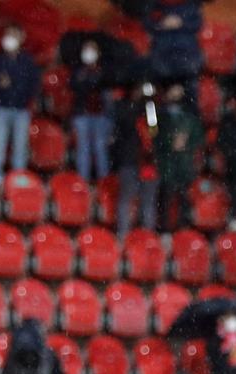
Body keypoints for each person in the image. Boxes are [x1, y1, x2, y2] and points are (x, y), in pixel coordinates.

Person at [0, 26, 40, 177]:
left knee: (20, 145)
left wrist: (23, 94)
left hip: (21, 110)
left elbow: (34, 83)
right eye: (7, 35)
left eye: (13, 35)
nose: (9, 39)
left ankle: (18, 176)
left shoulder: (28, 61)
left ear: (21, 38)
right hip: (0, 108)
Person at [112, 81, 163, 238]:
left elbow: (155, 132)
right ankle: (124, 238)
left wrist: (148, 105)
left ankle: (146, 240)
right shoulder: (124, 109)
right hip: (130, 162)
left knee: (147, 202)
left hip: (148, 163)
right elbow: (122, 130)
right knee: (126, 201)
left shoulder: (152, 111)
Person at [154, 83, 202, 233]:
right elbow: (153, 137)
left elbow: (199, 137)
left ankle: (183, 229)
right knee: (165, 199)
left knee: (185, 199)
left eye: (179, 92)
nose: (175, 96)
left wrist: (186, 143)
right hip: (166, 164)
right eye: (173, 92)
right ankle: (165, 230)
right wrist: (170, 141)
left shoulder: (190, 117)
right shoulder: (158, 116)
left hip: (184, 164)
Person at [70, 38, 115, 184]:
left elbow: (105, 90)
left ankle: (103, 183)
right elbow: (75, 89)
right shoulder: (77, 71)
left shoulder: (104, 70)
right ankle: (83, 182)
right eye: (86, 49)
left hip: (101, 116)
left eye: (92, 50)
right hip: (83, 114)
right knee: (83, 149)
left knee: (100, 150)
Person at [145, 0, 205, 85]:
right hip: (162, 58)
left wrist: (181, 23)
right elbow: (147, 24)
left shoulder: (191, 6)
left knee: (189, 86)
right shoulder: (154, 7)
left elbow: (197, 24)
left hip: (187, 57)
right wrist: (162, 24)